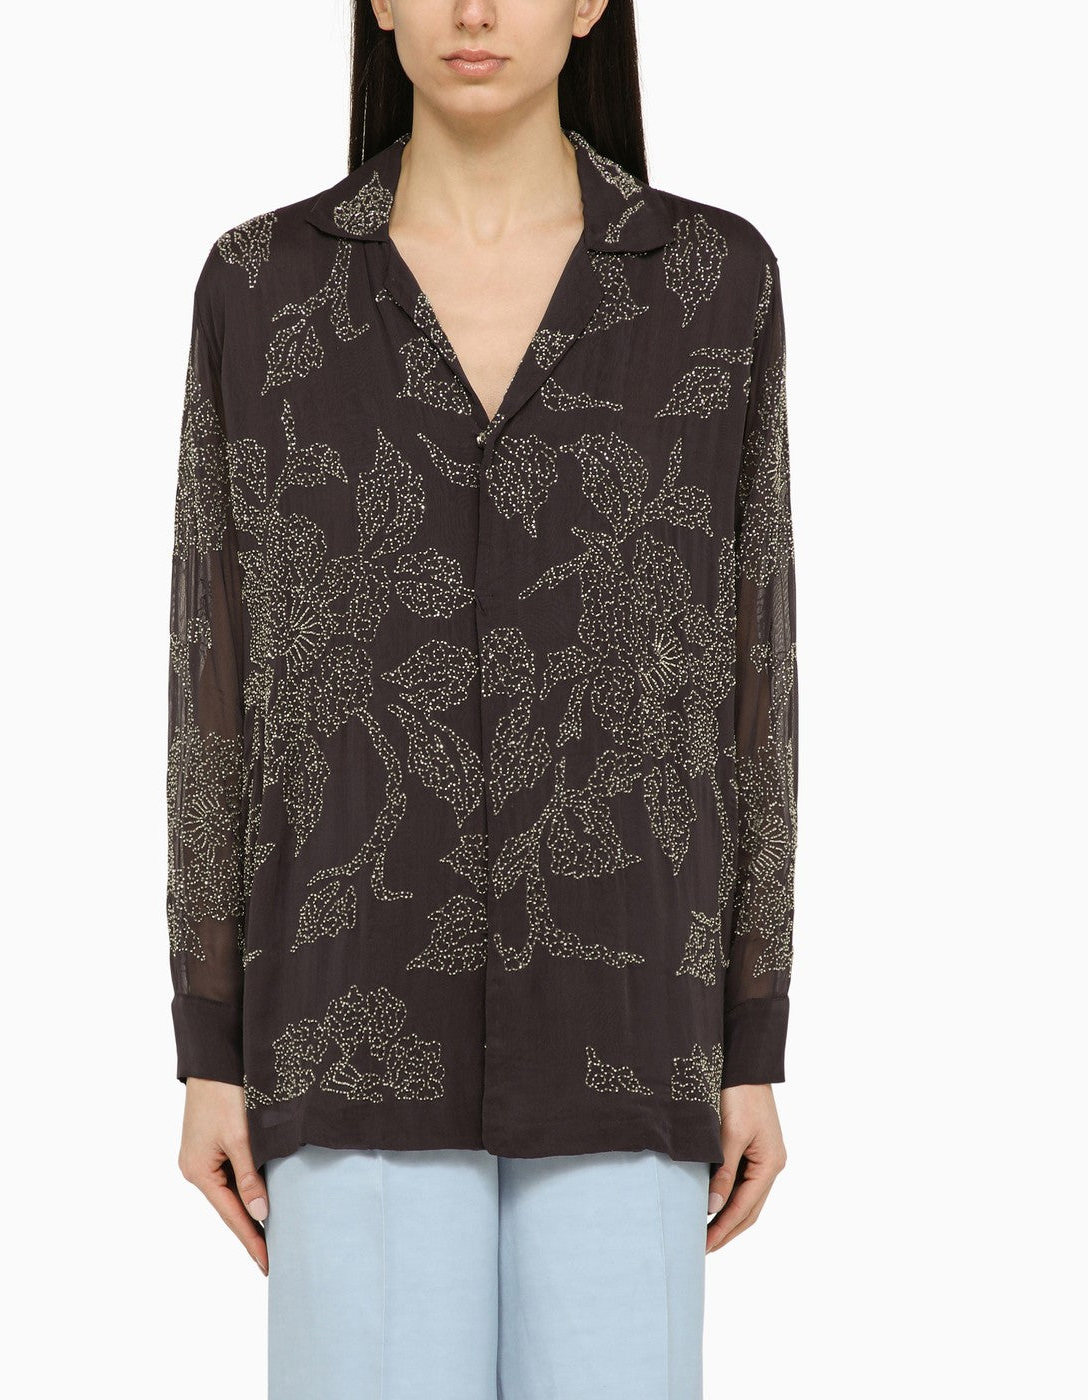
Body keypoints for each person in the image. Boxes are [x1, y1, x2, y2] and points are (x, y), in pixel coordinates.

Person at [166, 2, 798, 1395]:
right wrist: (210, 1044)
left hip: (630, 1010)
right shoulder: (263, 283)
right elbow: (214, 672)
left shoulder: (711, 279)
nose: (473, 9)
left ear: (589, 4)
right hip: (344, 1011)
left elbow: (752, 672)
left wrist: (750, 1037)